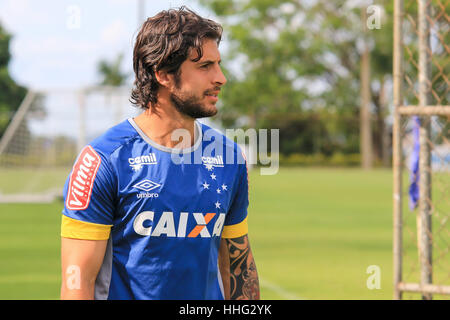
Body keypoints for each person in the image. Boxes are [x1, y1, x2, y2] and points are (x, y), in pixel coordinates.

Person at [60, 6, 260, 300]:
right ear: (164, 74)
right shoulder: (102, 161)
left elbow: (239, 268)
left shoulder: (229, 158)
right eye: (205, 66)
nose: (221, 78)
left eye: (218, 64)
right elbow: (77, 282)